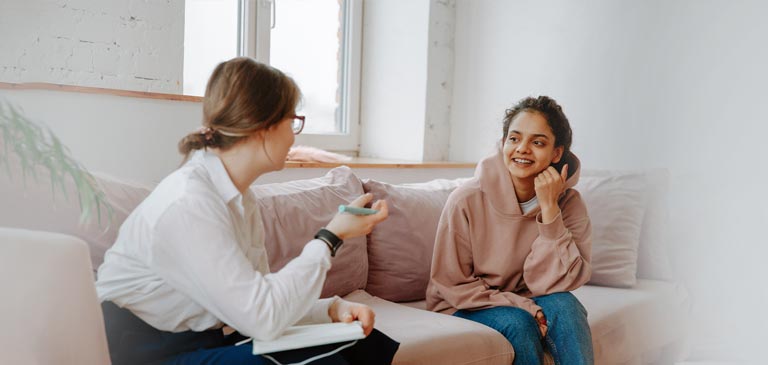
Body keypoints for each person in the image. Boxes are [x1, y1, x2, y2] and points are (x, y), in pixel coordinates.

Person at [95, 57, 398, 365]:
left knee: (361, 342)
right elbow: (261, 317)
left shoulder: (240, 199)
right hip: (144, 352)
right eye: (292, 122)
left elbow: (260, 299)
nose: (295, 136)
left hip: (205, 339)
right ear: (262, 127)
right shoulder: (189, 203)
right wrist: (330, 237)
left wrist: (331, 310)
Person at [426, 96, 594, 364]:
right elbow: (451, 283)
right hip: (463, 305)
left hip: (529, 297)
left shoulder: (570, 203)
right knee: (518, 323)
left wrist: (550, 210)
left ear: (556, 153)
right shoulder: (465, 200)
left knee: (566, 306)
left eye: (537, 142)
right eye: (514, 139)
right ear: (503, 143)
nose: (522, 149)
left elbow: (563, 283)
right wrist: (523, 305)